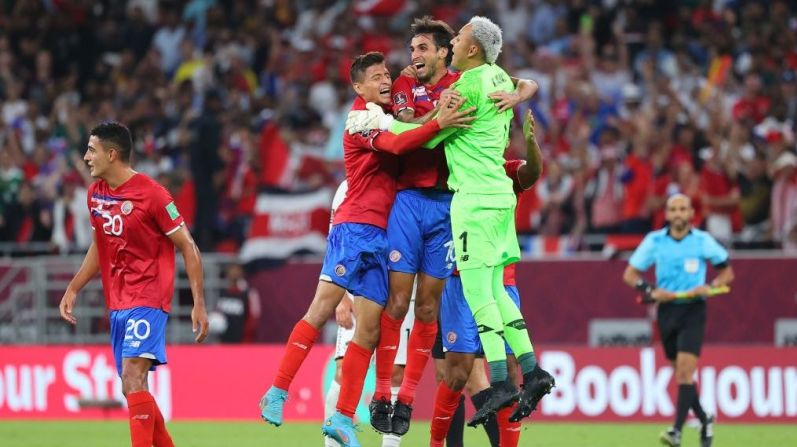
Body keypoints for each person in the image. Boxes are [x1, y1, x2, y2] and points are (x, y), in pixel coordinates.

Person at [258, 52, 473, 447]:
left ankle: (341, 418)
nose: (385, 81)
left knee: (370, 331)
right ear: (359, 87)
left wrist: (417, 88)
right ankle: (277, 390)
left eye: (387, 74)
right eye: (376, 77)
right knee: (321, 309)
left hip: (382, 236)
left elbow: (409, 121)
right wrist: (439, 120)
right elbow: (397, 140)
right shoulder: (361, 117)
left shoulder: (387, 110)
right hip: (354, 227)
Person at [358, 16, 539, 437]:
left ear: (448, 52)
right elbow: (509, 77)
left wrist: (521, 91)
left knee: (444, 314)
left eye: (427, 47)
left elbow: (514, 81)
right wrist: (523, 89)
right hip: (421, 202)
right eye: (413, 48)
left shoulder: (464, 83)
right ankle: (387, 394)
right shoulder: (414, 83)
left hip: (455, 205)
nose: (415, 55)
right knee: (405, 308)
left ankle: (431, 401)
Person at [58, 121, 209, 447]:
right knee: (132, 386)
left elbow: (188, 246)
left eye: (91, 150)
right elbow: (100, 245)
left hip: (149, 297)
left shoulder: (153, 195)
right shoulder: (95, 195)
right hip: (118, 302)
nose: (85, 157)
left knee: (133, 376)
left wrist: (198, 302)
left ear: (112, 154)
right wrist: (74, 287)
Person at [430, 111, 544, 447]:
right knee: (455, 373)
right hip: (455, 280)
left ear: (505, 140)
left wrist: (533, 144)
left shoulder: (506, 172)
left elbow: (533, 172)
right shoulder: (453, 168)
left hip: (500, 283)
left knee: (507, 373)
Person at [623, 193, 734, 447]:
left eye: (683, 209)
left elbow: (727, 272)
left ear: (691, 214)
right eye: (674, 209)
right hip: (667, 311)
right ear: (668, 214)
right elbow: (630, 275)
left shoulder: (703, 241)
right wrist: (651, 290)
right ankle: (705, 419)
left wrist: (711, 286)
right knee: (681, 375)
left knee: (685, 372)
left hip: (694, 310)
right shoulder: (655, 241)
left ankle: (676, 431)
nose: (678, 214)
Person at [323, 180, 415, 447]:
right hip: (358, 287)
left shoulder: (405, 184)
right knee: (344, 371)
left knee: (397, 373)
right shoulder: (347, 187)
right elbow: (334, 240)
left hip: (400, 291)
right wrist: (340, 297)